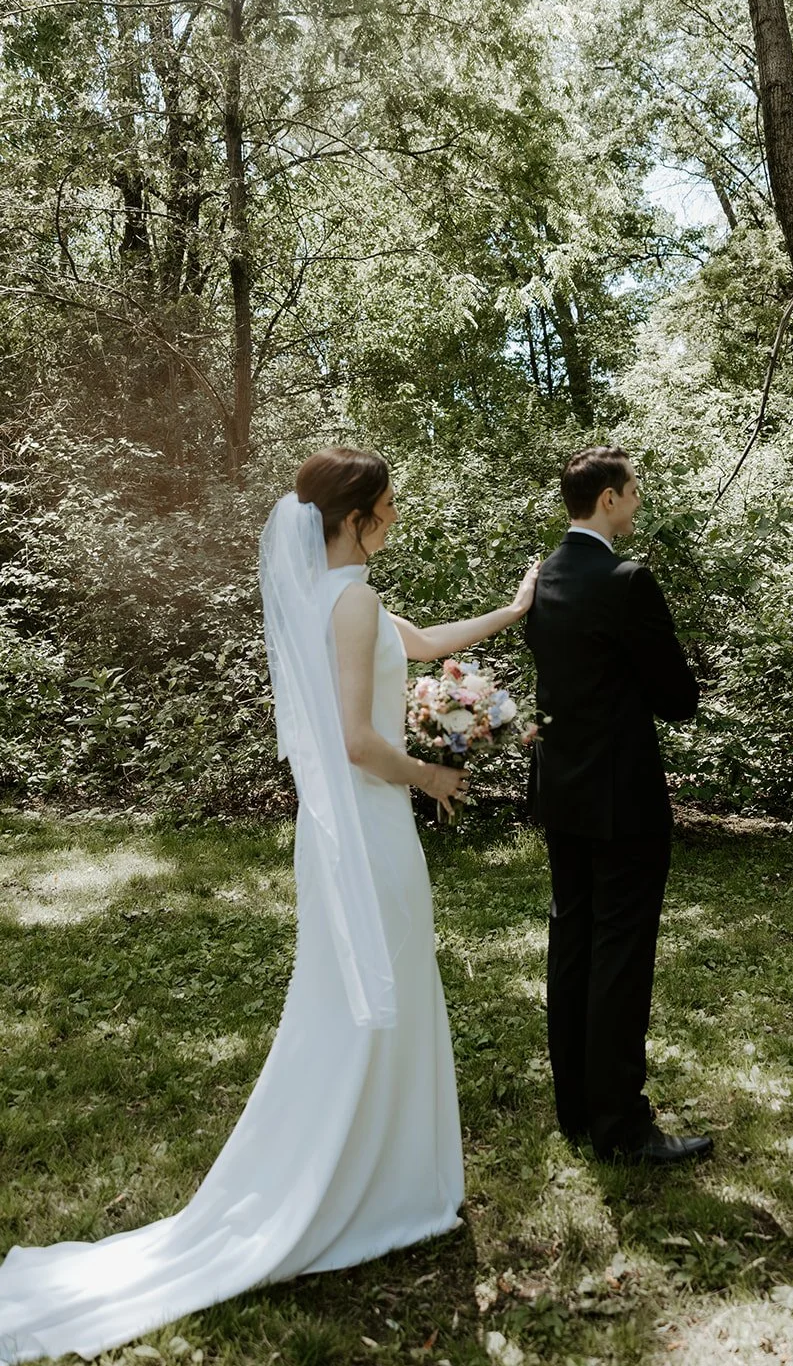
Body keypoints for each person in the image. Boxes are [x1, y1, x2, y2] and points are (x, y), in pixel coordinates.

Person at [0, 446, 538, 1365]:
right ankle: (377, 1186)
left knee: (360, 993)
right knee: (383, 986)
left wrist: (515, 611)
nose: (397, 508)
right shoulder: (352, 598)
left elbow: (425, 645)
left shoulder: (332, 596)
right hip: (371, 829)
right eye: (390, 499)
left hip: (343, 835)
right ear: (361, 514)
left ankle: (382, 1176)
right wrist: (432, 775)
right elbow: (361, 742)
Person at [524, 446, 710, 1165]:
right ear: (607, 498)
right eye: (634, 490)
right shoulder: (626, 580)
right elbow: (677, 698)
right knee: (620, 954)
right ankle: (621, 1127)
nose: (639, 501)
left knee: (572, 943)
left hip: (561, 789)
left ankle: (575, 1108)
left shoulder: (543, 578)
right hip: (622, 796)